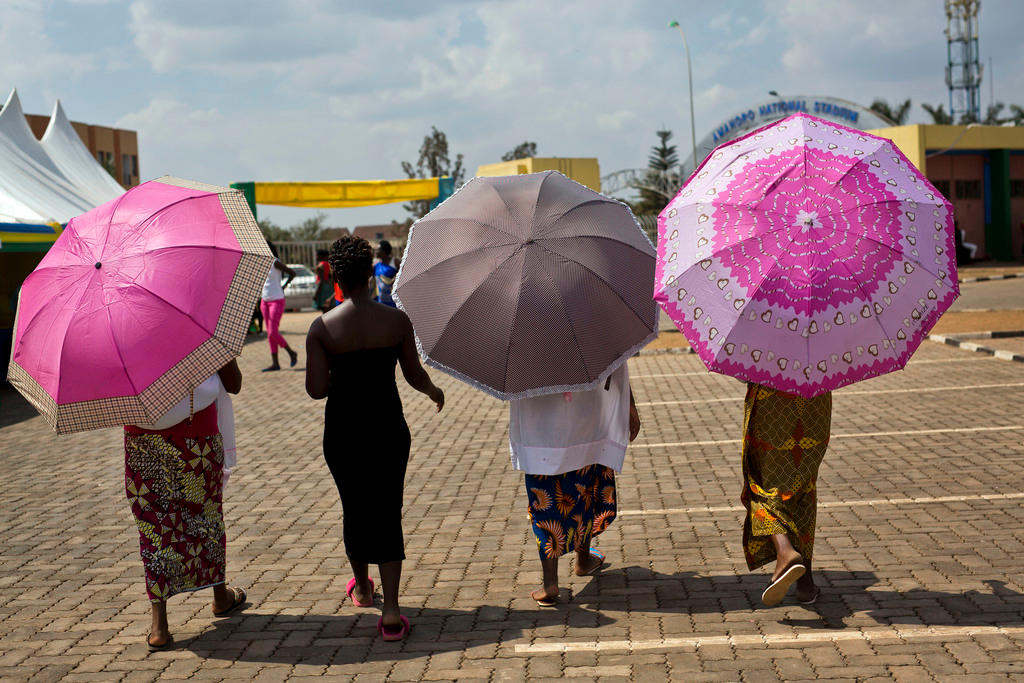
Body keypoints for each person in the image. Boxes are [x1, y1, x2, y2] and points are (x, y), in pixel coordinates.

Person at [305, 234, 444, 641]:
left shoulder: (323, 328)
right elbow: (413, 375)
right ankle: (393, 612)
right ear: (371, 273)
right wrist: (434, 391)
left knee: (355, 506)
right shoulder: (396, 320)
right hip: (388, 429)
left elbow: (316, 389)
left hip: (345, 431)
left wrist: (341, 375)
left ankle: (363, 588)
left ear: (334, 275)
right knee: (387, 509)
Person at [125, 360, 247, 650]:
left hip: (142, 438)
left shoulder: (122, 331)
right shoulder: (198, 329)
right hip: (197, 434)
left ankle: (159, 626)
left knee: (154, 529)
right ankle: (220, 597)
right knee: (205, 517)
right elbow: (234, 383)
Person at [509, 365, 642, 607]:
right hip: (587, 419)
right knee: (586, 490)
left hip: (541, 427)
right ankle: (583, 559)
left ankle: (551, 581)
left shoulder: (525, 333)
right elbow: (616, 358)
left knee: (545, 504)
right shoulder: (593, 327)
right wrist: (629, 403)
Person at [740, 383, 832, 607]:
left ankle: (785, 551)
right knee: (803, 487)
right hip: (816, 398)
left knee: (763, 483)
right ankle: (806, 583)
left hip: (773, 397)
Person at [260, 242, 299, 371]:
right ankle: (275, 363)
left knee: (273, 332)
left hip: (276, 300)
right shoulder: (261, 263)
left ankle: (291, 353)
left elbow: (292, 273)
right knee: (270, 335)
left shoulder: (275, 262)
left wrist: (284, 286)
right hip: (264, 301)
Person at [373, 240, 399, 307]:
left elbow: (404, 274)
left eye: (378, 250)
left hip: (393, 302)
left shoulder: (395, 262)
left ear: (384, 251)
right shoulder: (377, 265)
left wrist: (394, 279)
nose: (375, 252)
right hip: (380, 302)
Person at [313, 249, 334, 313]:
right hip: (329, 287)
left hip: (322, 288)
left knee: (325, 310)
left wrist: (316, 294)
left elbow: (321, 280)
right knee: (330, 309)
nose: (316, 257)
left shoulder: (321, 265)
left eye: (317, 255)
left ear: (322, 256)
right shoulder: (329, 264)